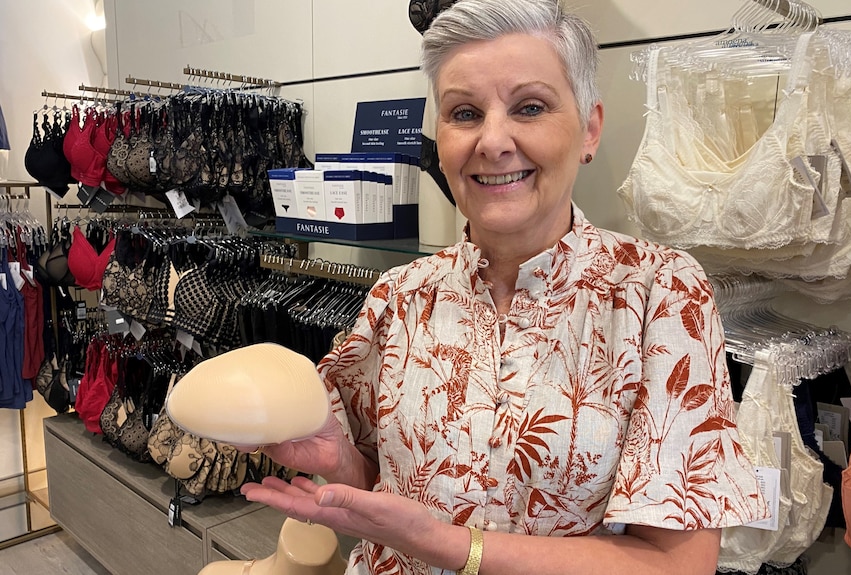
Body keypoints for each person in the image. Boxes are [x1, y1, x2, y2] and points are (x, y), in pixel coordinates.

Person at [240, 1, 769, 573]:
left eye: (530, 107)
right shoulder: (399, 297)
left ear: (589, 128)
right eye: (464, 113)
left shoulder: (658, 296)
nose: (492, 141)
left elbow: (677, 565)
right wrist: (341, 461)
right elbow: (379, 485)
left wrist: (449, 545)